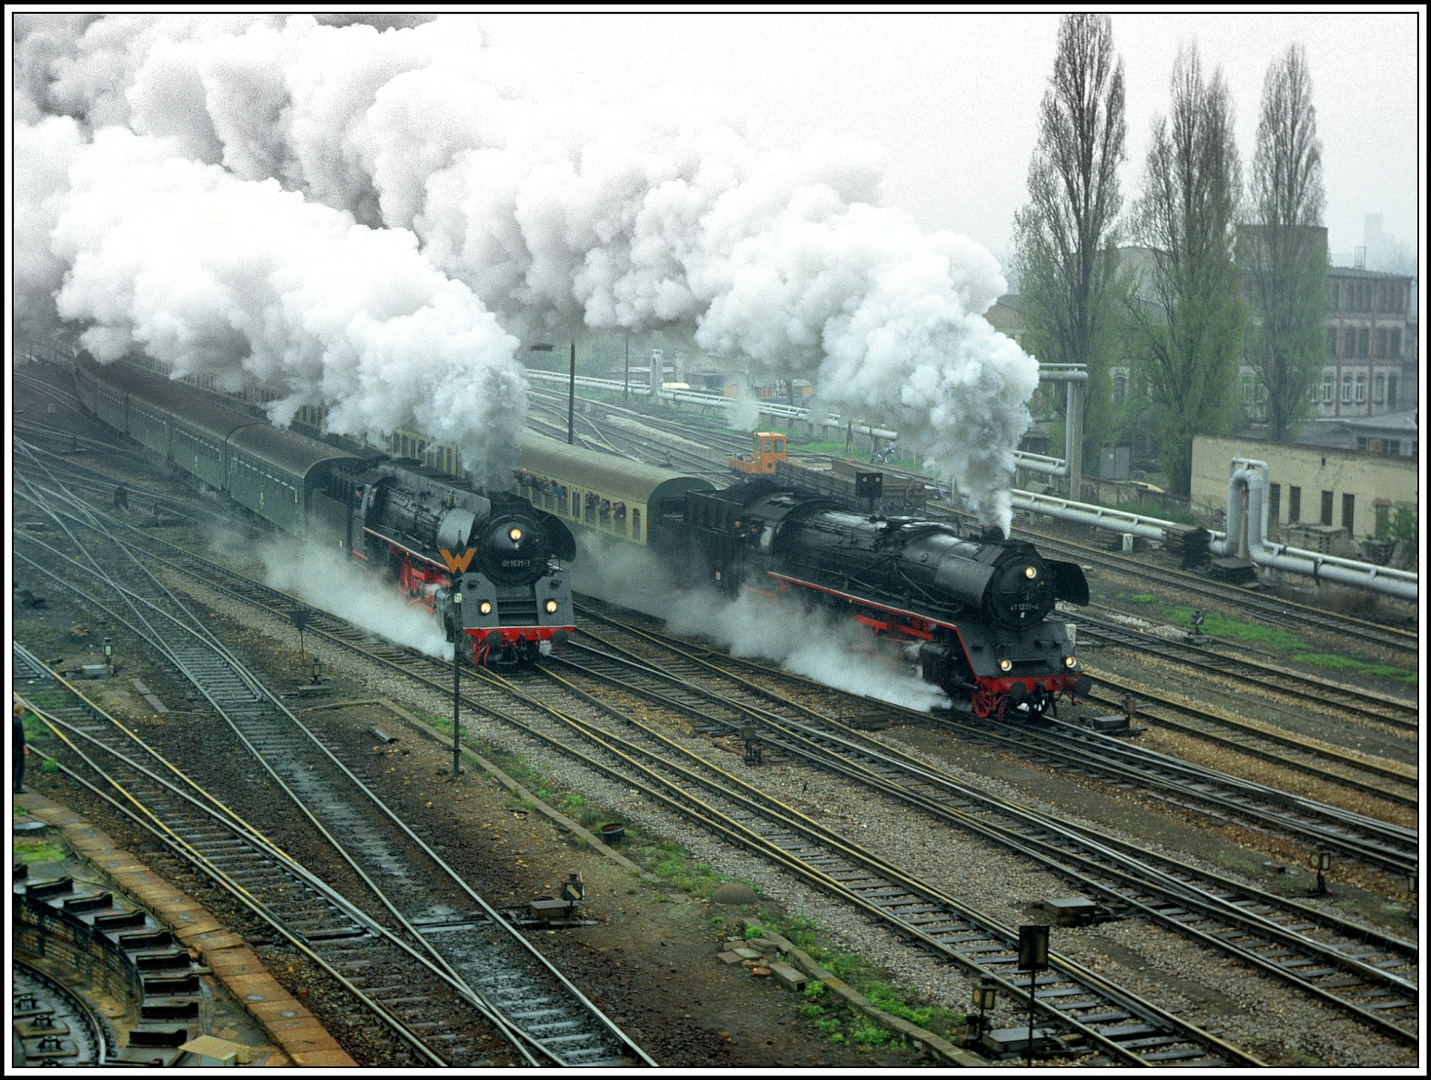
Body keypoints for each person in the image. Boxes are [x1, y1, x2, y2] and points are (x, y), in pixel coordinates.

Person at [13, 701, 28, 794]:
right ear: (20, 711)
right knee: (19, 767)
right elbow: (20, 737)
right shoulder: (18, 722)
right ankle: (18, 787)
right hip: (17, 749)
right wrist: (25, 748)